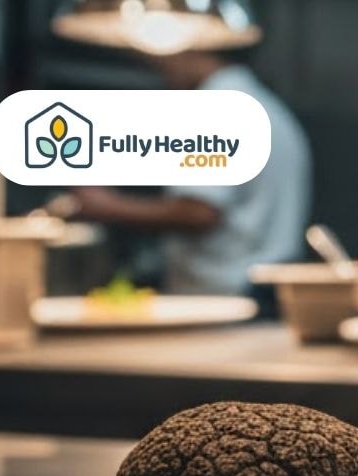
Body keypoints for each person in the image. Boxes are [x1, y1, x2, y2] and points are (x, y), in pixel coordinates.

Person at [69, 50, 312, 296]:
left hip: (226, 294)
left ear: (192, 47)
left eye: (162, 60)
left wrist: (106, 206)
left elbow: (199, 213)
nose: (162, 73)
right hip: (262, 291)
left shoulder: (216, 109)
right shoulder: (263, 103)